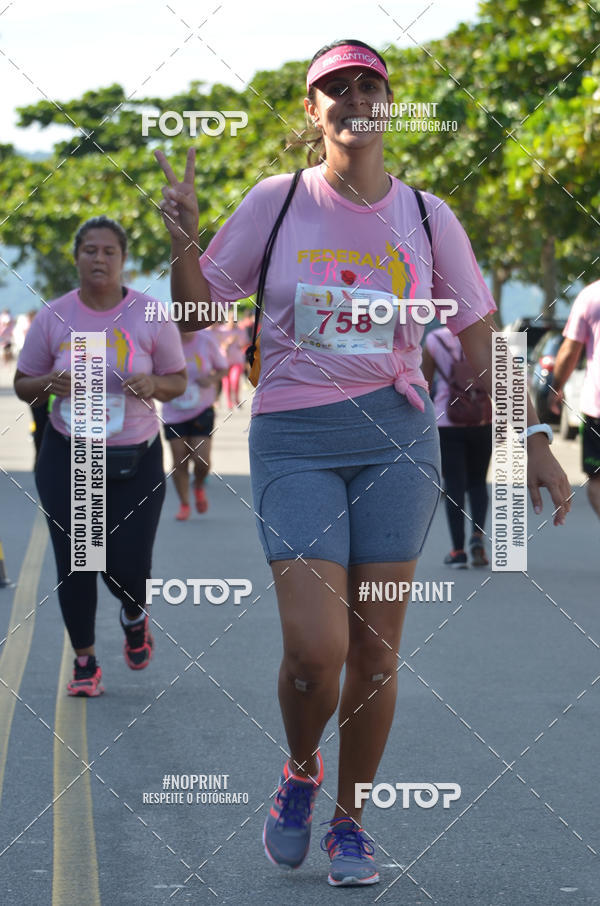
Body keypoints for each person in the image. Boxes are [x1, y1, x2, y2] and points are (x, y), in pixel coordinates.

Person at [156, 40, 570, 887]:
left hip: (396, 442)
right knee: (316, 650)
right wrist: (185, 241)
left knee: (376, 655)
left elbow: (484, 343)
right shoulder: (275, 203)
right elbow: (198, 313)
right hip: (295, 440)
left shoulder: (426, 215)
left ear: (387, 103)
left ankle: (351, 823)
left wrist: (528, 440)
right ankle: (301, 770)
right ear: (313, 113)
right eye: (333, 88)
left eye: (366, 85)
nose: (352, 98)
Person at [14, 216, 186, 697]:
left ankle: (134, 614)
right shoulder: (54, 316)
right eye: (90, 250)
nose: (99, 259)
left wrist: (154, 384)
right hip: (69, 454)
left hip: (136, 457)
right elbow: (22, 382)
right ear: (76, 257)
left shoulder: (150, 314)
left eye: (109, 251)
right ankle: (85, 662)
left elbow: (178, 378)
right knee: (77, 560)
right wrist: (48, 384)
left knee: (128, 566)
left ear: (123, 259)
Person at [422, 326, 493, 566]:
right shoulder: (485, 334)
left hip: (447, 421)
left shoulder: (434, 340)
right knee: (478, 482)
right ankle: (477, 536)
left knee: (454, 485)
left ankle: (457, 551)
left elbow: (424, 384)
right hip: (482, 419)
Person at [162, 323, 228, 519]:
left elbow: (223, 368)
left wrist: (212, 379)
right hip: (173, 410)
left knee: (202, 459)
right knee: (179, 458)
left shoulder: (206, 340)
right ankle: (184, 504)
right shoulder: (165, 343)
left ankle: (198, 485)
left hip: (202, 407)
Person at [551, 279, 600, 517]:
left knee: (598, 482)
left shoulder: (591, 295)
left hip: (597, 409)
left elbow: (570, 351)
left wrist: (556, 387)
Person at [216, 308, 247, 408]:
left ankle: (236, 399)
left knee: (235, 380)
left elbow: (244, 344)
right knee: (226, 383)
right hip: (224, 362)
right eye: (230, 318)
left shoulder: (240, 331)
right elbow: (216, 344)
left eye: (234, 319)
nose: (232, 321)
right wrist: (227, 342)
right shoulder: (221, 330)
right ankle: (229, 402)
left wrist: (240, 343)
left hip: (237, 360)